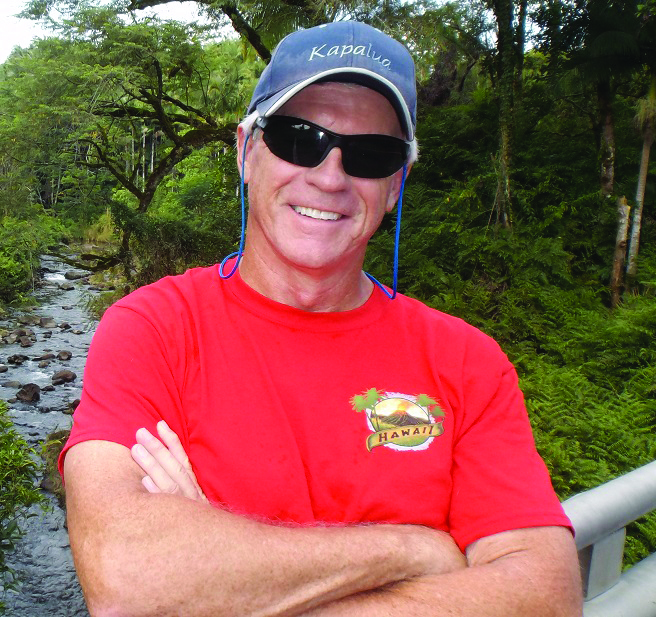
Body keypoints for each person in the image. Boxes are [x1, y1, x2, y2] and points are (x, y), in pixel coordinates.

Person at [60, 21, 582, 617]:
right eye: (298, 138)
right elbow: (127, 577)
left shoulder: (468, 363)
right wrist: (411, 549)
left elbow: (546, 596)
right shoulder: (153, 329)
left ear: (396, 183)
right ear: (246, 151)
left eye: (370, 154)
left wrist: (221, 578)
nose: (330, 177)